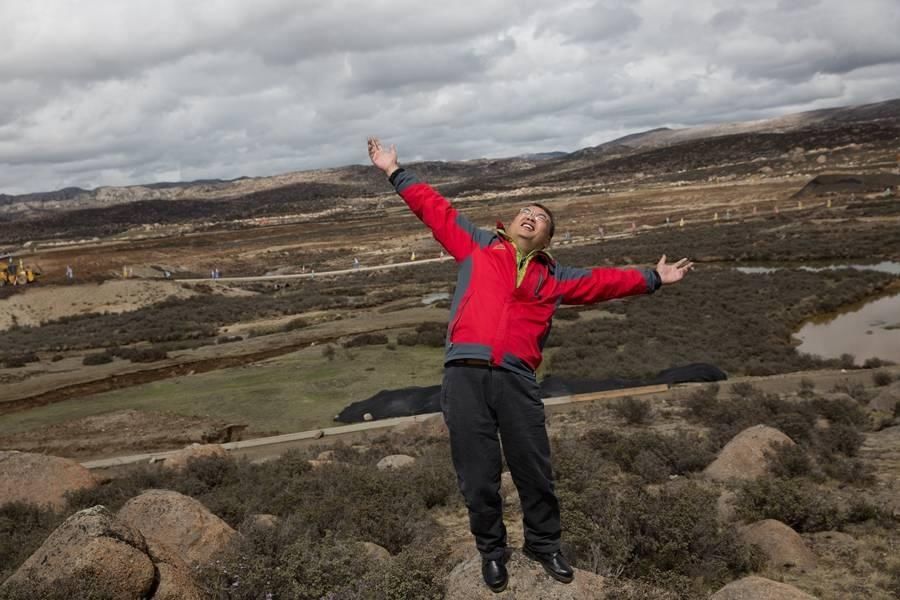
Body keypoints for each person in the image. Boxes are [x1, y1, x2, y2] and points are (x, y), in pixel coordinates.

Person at [367, 138, 692, 593]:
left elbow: (604, 281)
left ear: (547, 236)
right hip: (464, 373)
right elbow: (434, 208)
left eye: (539, 217)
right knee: (477, 475)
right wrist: (393, 170)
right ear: (511, 222)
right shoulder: (477, 246)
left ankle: (544, 545)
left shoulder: (555, 276)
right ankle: (492, 553)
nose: (530, 215)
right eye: (525, 210)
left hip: (517, 378)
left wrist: (655, 277)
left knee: (533, 469)